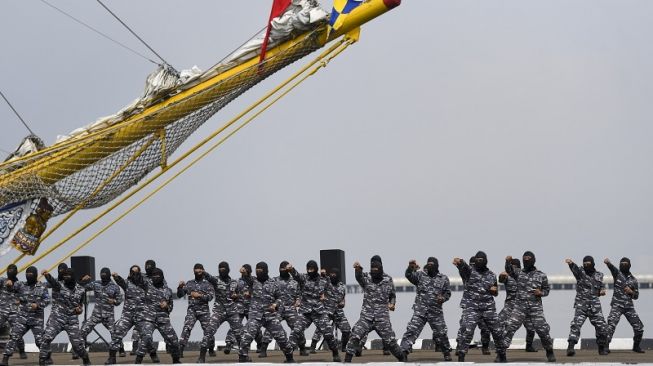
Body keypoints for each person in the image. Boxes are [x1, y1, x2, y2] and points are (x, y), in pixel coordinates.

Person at [344, 259, 405, 362]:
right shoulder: (367, 277)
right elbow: (359, 277)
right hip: (366, 317)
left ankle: (403, 359)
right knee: (354, 336)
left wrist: (392, 304)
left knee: (391, 342)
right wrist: (358, 269)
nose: (374, 272)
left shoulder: (388, 280)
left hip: (382, 318)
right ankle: (347, 361)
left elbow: (392, 295)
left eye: (376, 270)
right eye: (372, 270)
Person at [453, 252, 506, 362]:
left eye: (482, 259)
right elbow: (463, 266)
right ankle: (461, 356)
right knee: (467, 331)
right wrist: (460, 261)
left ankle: (502, 356)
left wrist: (494, 291)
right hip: (472, 307)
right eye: (478, 259)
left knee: (498, 331)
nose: (480, 261)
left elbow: (495, 292)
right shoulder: (469, 272)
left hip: (488, 307)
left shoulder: (491, 275)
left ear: (486, 260)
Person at [502, 252, 556, 362]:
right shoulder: (518, 273)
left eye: (528, 259)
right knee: (510, 327)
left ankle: (549, 352)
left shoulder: (541, 275)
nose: (526, 261)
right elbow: (509, 270)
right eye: (524, 259)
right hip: (519, 307)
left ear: (533, 260)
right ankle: (501, 354)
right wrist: (507, 261)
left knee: (543, 330)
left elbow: (547, 290)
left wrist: (540, 292)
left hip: (535, 308)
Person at [238, 262, 295, 363]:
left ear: (266, 271)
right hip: (256, 314)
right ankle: (243, 357)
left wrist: (275, 305)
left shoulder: (273, 283)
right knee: (247, 335)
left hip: (270, 315)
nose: (258, 272)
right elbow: (246, 276)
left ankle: (289, 357)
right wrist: (244, 271)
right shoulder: (253, 281)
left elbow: (280, 297)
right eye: (257, 270)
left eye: (261, 270)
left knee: (281, 337)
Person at [287, 260, 342, 361]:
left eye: (312, 269)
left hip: (319, 312)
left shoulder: (324, 280)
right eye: (308, 269)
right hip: (305, 312)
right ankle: (289, 357)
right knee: (296, 331)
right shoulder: (304, 278)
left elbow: (332, 293)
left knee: (328, 333)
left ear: (316, 269)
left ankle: (335, 353)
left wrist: (326, 298)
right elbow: (296, 276)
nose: (310, 271)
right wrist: (291, 269)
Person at [400, 257, 452, 361]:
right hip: (420, 311)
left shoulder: (443, 278)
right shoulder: (420, 275)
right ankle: (403, 352)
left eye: (432, 264)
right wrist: (410, 268)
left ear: (437, 266)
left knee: (441, 333)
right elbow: (409, 275)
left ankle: (446, 352)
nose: (430, 266)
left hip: (435, 312)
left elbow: (448, 293)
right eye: (428, 264)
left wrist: (443, 298)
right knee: (411, 330)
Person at [40, 268, 91, 365]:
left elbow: (80, 306)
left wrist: (79, 310)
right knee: (46, 338)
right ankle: (42, 361)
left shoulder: (81, 289)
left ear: (73, 276)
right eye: (64, 275)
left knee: (77, 345)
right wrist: (47, 275)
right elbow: (53, 282)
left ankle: (86, 359)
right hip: (57, 317)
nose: (66, 277)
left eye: (68, 275)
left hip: (71, 320)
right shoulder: (59, 285)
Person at [0, 266, 49, 366]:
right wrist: (9, 285)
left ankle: (44, 358)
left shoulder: (42, 286)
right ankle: (5, 358)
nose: (29, 275)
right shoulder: (21, 285)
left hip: (36, 319)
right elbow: (12, 288)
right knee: (14, 336)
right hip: (23, 317)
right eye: (27, 274)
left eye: (31, 274)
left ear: (35, 275)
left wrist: (38, 305)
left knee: (39, 341)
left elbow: (47, 300)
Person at [104, 265, 151, 365]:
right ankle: (112, 358)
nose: (133, 274)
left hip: (141, 316)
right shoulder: (127, 283)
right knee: (117, 333)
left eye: (136, 272)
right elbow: (120, 281)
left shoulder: (145, 284)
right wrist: (116, 277)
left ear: (139, 273)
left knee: (147, 336)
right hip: (127, 316)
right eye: (131, 272)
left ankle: (140, 358)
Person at [565, 256, 610, 356]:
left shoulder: (599, 275)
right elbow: (575, 269)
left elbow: (600, 287)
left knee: (602, 327)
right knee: (576, 324)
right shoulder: (580, 273)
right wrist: (571, 263)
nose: (586, 265)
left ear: (593, 264)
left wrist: (602, 291)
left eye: (588, 264)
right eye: (585, 264)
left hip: (595, 306)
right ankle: (570, 348)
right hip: (582, 304)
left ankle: (601, 348)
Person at [200, 262, 243, 362]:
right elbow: (209, 277)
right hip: (219, 311)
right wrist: (203, 272)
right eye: (220, 268)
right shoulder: (216, 280)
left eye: (224, 268)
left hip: (232, 311)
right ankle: (201, 356)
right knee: (209, 331)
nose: (222, 270)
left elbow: (239, 295)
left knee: (239, 334)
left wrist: (236, 296)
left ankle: (243, 356)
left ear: (228, 269)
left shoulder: (234, 282)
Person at [135, 268, 181, 364]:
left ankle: (176, 360)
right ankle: (138, 360)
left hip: (163, 319)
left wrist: (167, 305)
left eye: (158, 276)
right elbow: (138, 279)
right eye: (154, 276)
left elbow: (171, 306)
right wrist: (136, 272)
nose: (155, 277)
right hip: (148, 318)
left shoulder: (167, 290)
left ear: (162, 276)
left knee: (174, 340)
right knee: (146, 338)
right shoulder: (147, 285)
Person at [78, 268, 124, 357]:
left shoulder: (115, 287)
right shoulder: (96, 283)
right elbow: (81, 288)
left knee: (115, 333)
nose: (103, 279)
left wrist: (114, 301)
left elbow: (119, 300)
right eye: (102, 276)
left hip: (108, 316)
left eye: (105, 276)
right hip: (96, 314)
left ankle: (121, 348)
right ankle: (78, 350)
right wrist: (82, 280)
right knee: (83, 330)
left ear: (109, 275)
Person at [261, 261, 302, 357]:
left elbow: (299, 295)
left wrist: (298, 301)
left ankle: (302, 347)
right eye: (281, 268)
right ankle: (263, 349)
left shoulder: (294, 282)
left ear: (288, 270)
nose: (282, 270)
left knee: (298, 327)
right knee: (271, 327)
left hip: (290, 308)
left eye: (284, 268)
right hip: (277, 308)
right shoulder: (273, 280)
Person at [604, 257, 644, 353]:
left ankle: (636, 346)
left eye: (626, 264)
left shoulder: (634, 280)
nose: (624, 266)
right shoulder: (617, 274)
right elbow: (612, 268)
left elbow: (636, 296)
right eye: (622, 264)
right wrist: (608, 263)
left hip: (629, 307)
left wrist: (631, 292)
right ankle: (605, 347)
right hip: (617, 305)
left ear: (629, 265)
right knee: (611, 325)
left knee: (639, 327)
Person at [498, 258, 538, 352]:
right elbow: (501, 279)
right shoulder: (508, 275)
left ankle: (528, 346)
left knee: (530, 327)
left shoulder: (523, 275)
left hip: (522, 305)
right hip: (511, 305)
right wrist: (502, 275)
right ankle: (501, 344)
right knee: (500, 322)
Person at [454, 256, 491, 356]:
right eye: (470, 265)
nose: (472, 267)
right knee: (464, 326)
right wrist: (460, 264)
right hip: (469, 305)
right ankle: (460, 347)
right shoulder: (466, 274)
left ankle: (485, 347)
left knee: (485, 327)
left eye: (474, 265)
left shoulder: (484, 274)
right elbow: (462, 268)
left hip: (483, 306)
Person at [309, 267, 351, 354]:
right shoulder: (326, 283)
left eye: (334, 275)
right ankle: (312, 347)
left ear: (338, 275)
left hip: (338, 311)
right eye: (331, 274)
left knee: (346, 329)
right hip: (326, 310)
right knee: (321, 327)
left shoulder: (342, 286)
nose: (332, 276)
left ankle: (343, 347)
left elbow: (343, 299)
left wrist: (343, 303)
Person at [177, 263, 214, 360]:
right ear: (193, 271)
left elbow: (210, 297)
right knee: (187, 328)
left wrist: (200, 295)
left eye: (200, 270)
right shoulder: (189, 283)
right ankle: (180, 349)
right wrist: (180, 287)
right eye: (196, 270)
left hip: (204, 312)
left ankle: (211, 348)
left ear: (203, 270)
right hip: (192, 311)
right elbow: (180, 295)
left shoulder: (207, 284)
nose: (198, 271)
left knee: (208, 330)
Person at [0, 265, 27, 360]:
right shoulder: (2, 281)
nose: (10, 271)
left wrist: (19, 298)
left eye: (12, 270)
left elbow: (25, 297)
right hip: (2, 311)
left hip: (14, 312)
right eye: (9, 270)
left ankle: (22, 350)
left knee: (17, 332)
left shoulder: (20, 284)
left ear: (16, 271)